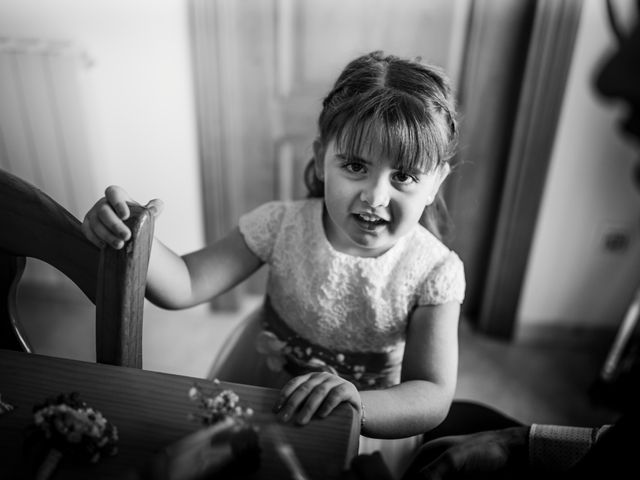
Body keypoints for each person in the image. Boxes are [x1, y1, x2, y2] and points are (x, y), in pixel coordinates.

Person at [82, 51, 465, 475]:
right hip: (266, 385)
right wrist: (135, 234)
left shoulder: (435, 272)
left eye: (404, 176)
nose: (375, 197)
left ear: (436, 182)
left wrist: (356, 401)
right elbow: (186, 283)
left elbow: (431, 392)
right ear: (322, 159)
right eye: (356, 166)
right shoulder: (280, 224)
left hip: (366, 416)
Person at [391, 6, 640, 480]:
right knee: (456, 427)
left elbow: (427, 392)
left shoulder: (434, 269)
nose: (608, 79)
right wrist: (524, 444)